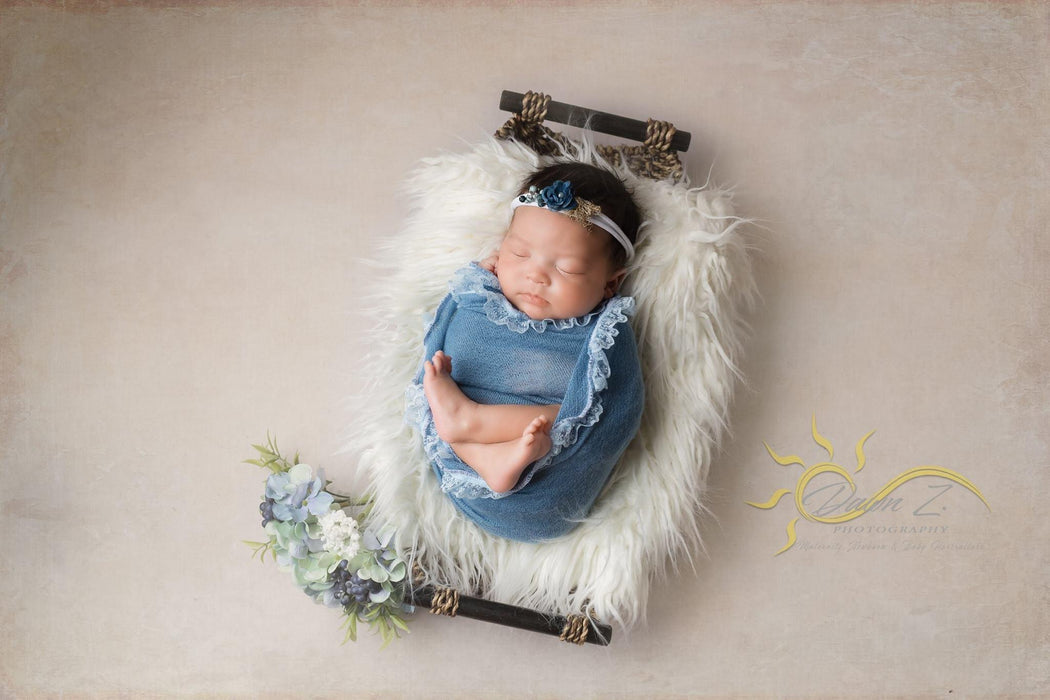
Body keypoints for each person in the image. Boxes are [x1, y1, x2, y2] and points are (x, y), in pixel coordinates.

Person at [405, 161, 645, 541]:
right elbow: (450, 330)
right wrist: (483, 279)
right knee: (441, 383)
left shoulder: (606, 332)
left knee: (586, 413)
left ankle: (471, 422)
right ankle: (481, 453)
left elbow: (620, 411)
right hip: (466, 478)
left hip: (545, 494)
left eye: (568, 269)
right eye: (519, 254)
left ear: (610, 284)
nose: (536, 275)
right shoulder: (483, 295)